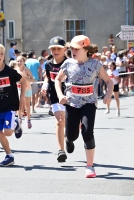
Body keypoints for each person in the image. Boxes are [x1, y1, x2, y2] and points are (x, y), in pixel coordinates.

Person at [55, 35, 113, 178]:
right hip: (72, 103)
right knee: (72, 134)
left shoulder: (95, 65)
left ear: (85, 49)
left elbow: (109, 81)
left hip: (89, 103)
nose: (72, 51)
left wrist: (108, 95)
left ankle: (90, 166)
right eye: (71, 48)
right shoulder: (68, 64)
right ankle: (69, 140)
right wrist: (60, 95)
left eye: (76, 49)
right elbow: (58, 79)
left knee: (87, 132)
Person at [41, 36, 67, 162]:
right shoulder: (48, 64)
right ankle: (61, 150)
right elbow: (47, 77)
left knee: (67, 123)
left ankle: (68, 138)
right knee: (59, 121)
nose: (56, 51)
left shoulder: (69, 63)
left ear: (64, 49)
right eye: (53, 49)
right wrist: (45, 86)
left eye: (58, 48)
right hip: (55, 96)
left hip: (69, 97)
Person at [15, 55, 34, 129]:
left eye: (21, 61)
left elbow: (32, 79)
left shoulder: (26, 70)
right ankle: (19, 118)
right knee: (19, 105)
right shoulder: (15, 70)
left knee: (27, 105)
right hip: (19, 89)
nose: (19, 62)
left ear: (24, 62)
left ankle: (28, 119)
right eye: (18, 61)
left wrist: (25, 78)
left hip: (27, 89)